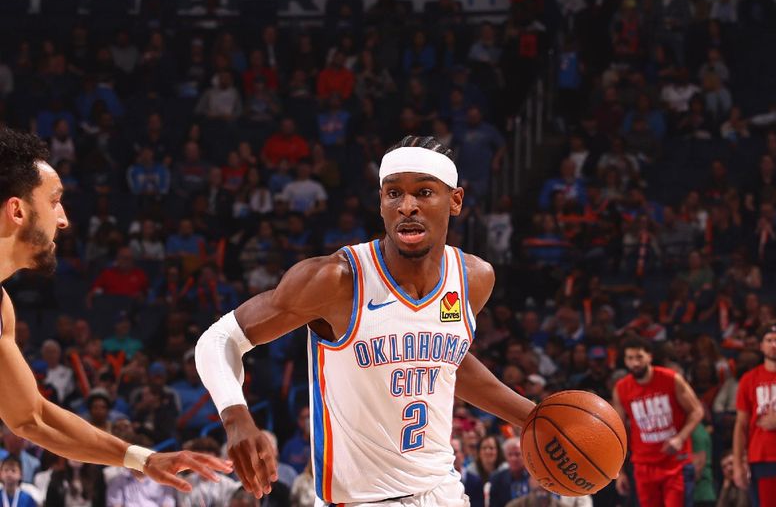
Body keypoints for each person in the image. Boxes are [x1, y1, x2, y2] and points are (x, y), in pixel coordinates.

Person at [195, 135, 537, 504]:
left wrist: (533, 418)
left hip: (444, 493)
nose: (407, 206)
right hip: (360, 500)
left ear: (455, 201)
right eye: (394, 194)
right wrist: (235, 418)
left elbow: (442, 362)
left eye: (424, 193)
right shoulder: (336, 280)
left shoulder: (473, 279)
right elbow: (218, 340)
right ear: (381, 202)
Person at [0, 128, 231, 491]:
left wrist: (143, 458)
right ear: (17, 210)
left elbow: (32, 417)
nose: (63, 220)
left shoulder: (2, 309)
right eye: (54, 201)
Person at [612, 335, 705, 507]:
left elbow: (697, 410)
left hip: (675, 462)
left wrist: (680, 438)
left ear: (650, 356)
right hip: (643, 465)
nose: (635, 363)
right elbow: (618, 432)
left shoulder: (671, 378)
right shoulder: (621, 389)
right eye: (630, 358)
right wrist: (620, 472)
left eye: (639, 357)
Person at [732, 322, 776, 506]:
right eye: (769, 340)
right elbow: (741, 425)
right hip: (762, 458)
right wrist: (738, 464)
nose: (774, 345)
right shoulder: (748, 379)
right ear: (761, 346)